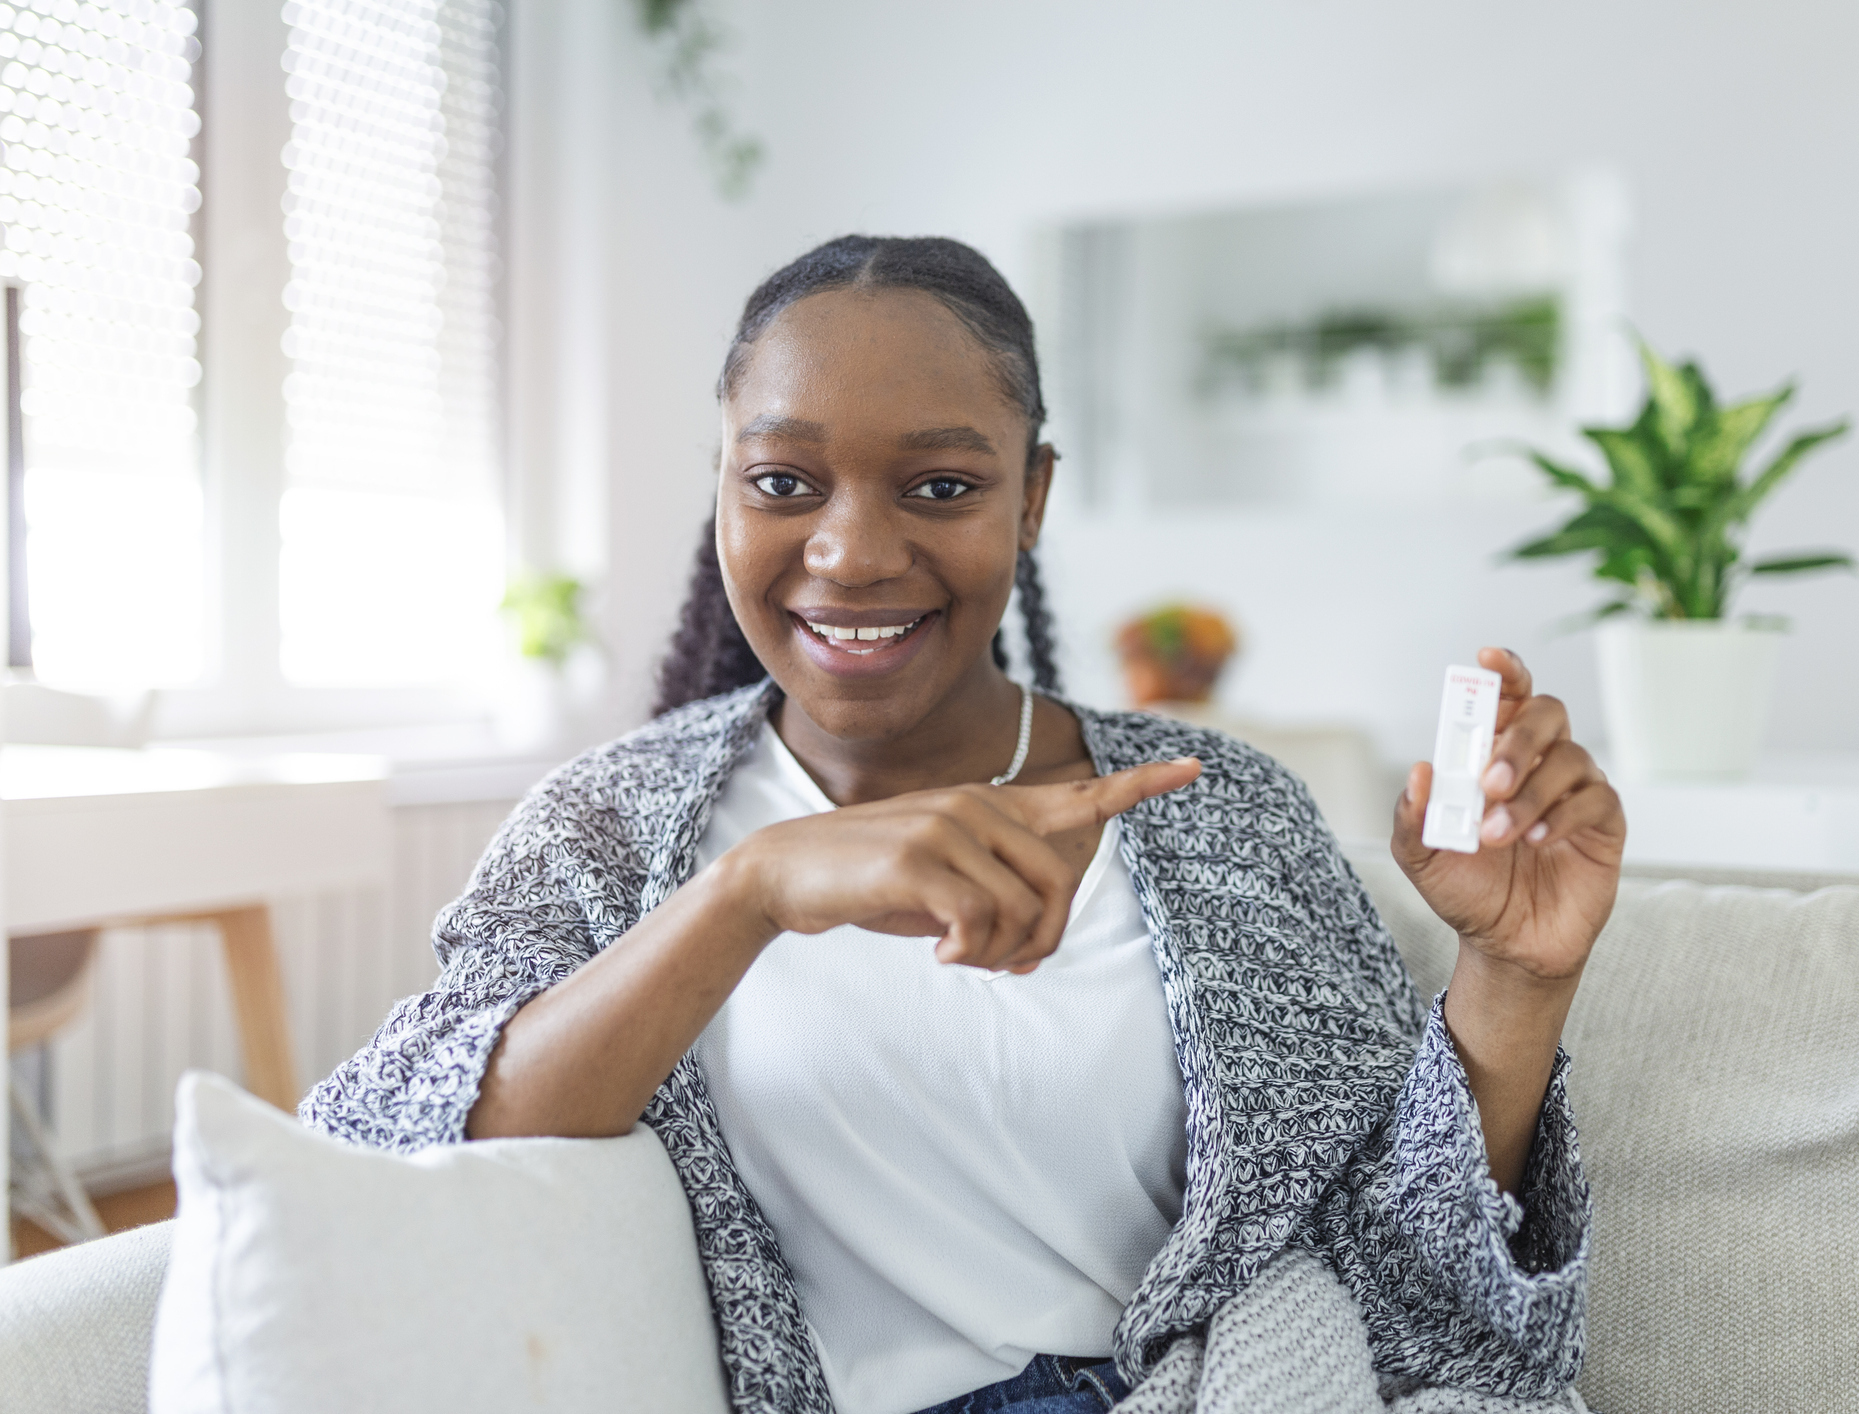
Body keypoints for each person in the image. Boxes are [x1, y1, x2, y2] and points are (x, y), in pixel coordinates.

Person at [303, 236, 1625, 1414]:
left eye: (939, 486)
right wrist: (749, 892)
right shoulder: (610, 830)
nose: (852, 552)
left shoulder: (1221, 814)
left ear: (1031, 499)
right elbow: (397, 1150)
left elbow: (1415, 1303)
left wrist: (1518, 969)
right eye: (782, 483)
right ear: (721, 486)